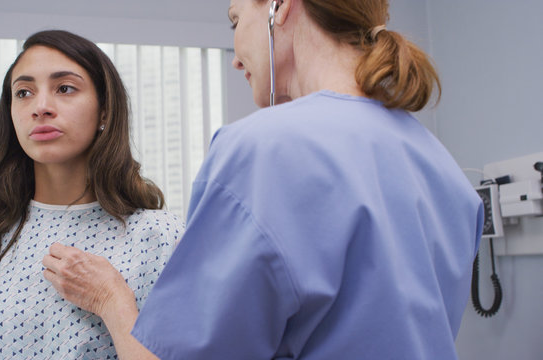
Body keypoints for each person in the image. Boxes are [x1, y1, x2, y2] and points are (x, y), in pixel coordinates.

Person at [44, 0, 484, 359]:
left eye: (236, 20)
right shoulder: (442, 167)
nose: (235, 58)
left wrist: (112, 301)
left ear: (280, 7)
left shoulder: (263, 149)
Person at [0, 30, 184, 359]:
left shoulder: (159, 238)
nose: (40, 107)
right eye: (23, 92)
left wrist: (112, 301)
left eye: (64, 88)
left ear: (105, 111)